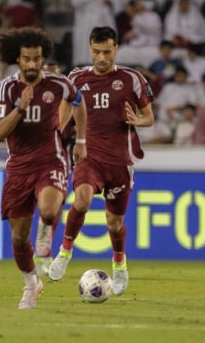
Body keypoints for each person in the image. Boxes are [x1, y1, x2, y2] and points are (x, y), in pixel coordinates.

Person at [48, 26, 155, 297]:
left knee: (114, 223)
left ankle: (119, 264)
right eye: (97, 52)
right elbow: (63, 116)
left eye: (107, 52)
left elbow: (149, 117)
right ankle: (64, 252)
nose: (102, 58)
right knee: (81, 200)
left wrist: (137, 120)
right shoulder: (76, 77)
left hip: (120, 162)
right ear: (90, 49)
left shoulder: (132, 79)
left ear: (116, 49)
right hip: (89, 156)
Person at [0, 27, 87, 309]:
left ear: (43, 58)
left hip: (50, 159)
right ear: (17, 60)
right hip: (19, 166)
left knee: (48, 210)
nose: (32, 64)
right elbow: (0, 131)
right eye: (26, 59)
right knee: (19, 237)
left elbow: (79, 102)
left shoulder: (58, 85)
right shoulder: (7, 88)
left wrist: (81, 140)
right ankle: (32, 284)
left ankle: (46, 233)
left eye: (37, 59)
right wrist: (20, 108)